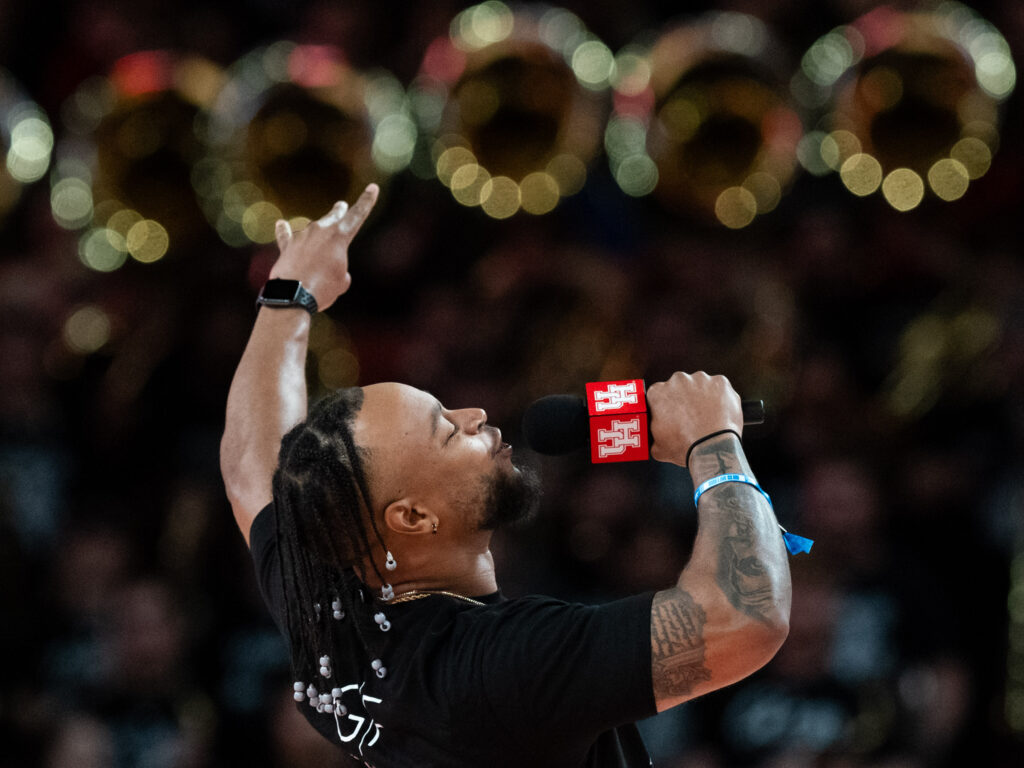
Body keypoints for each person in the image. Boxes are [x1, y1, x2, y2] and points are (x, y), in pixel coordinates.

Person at [220, 184, 793, 767]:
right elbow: (743, 616)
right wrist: (714, 445)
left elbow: (253, 468)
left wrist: (289, 296)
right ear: (413, 517)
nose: (476, 417)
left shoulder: (332, 613)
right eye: (447, 429)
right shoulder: (502, 667)